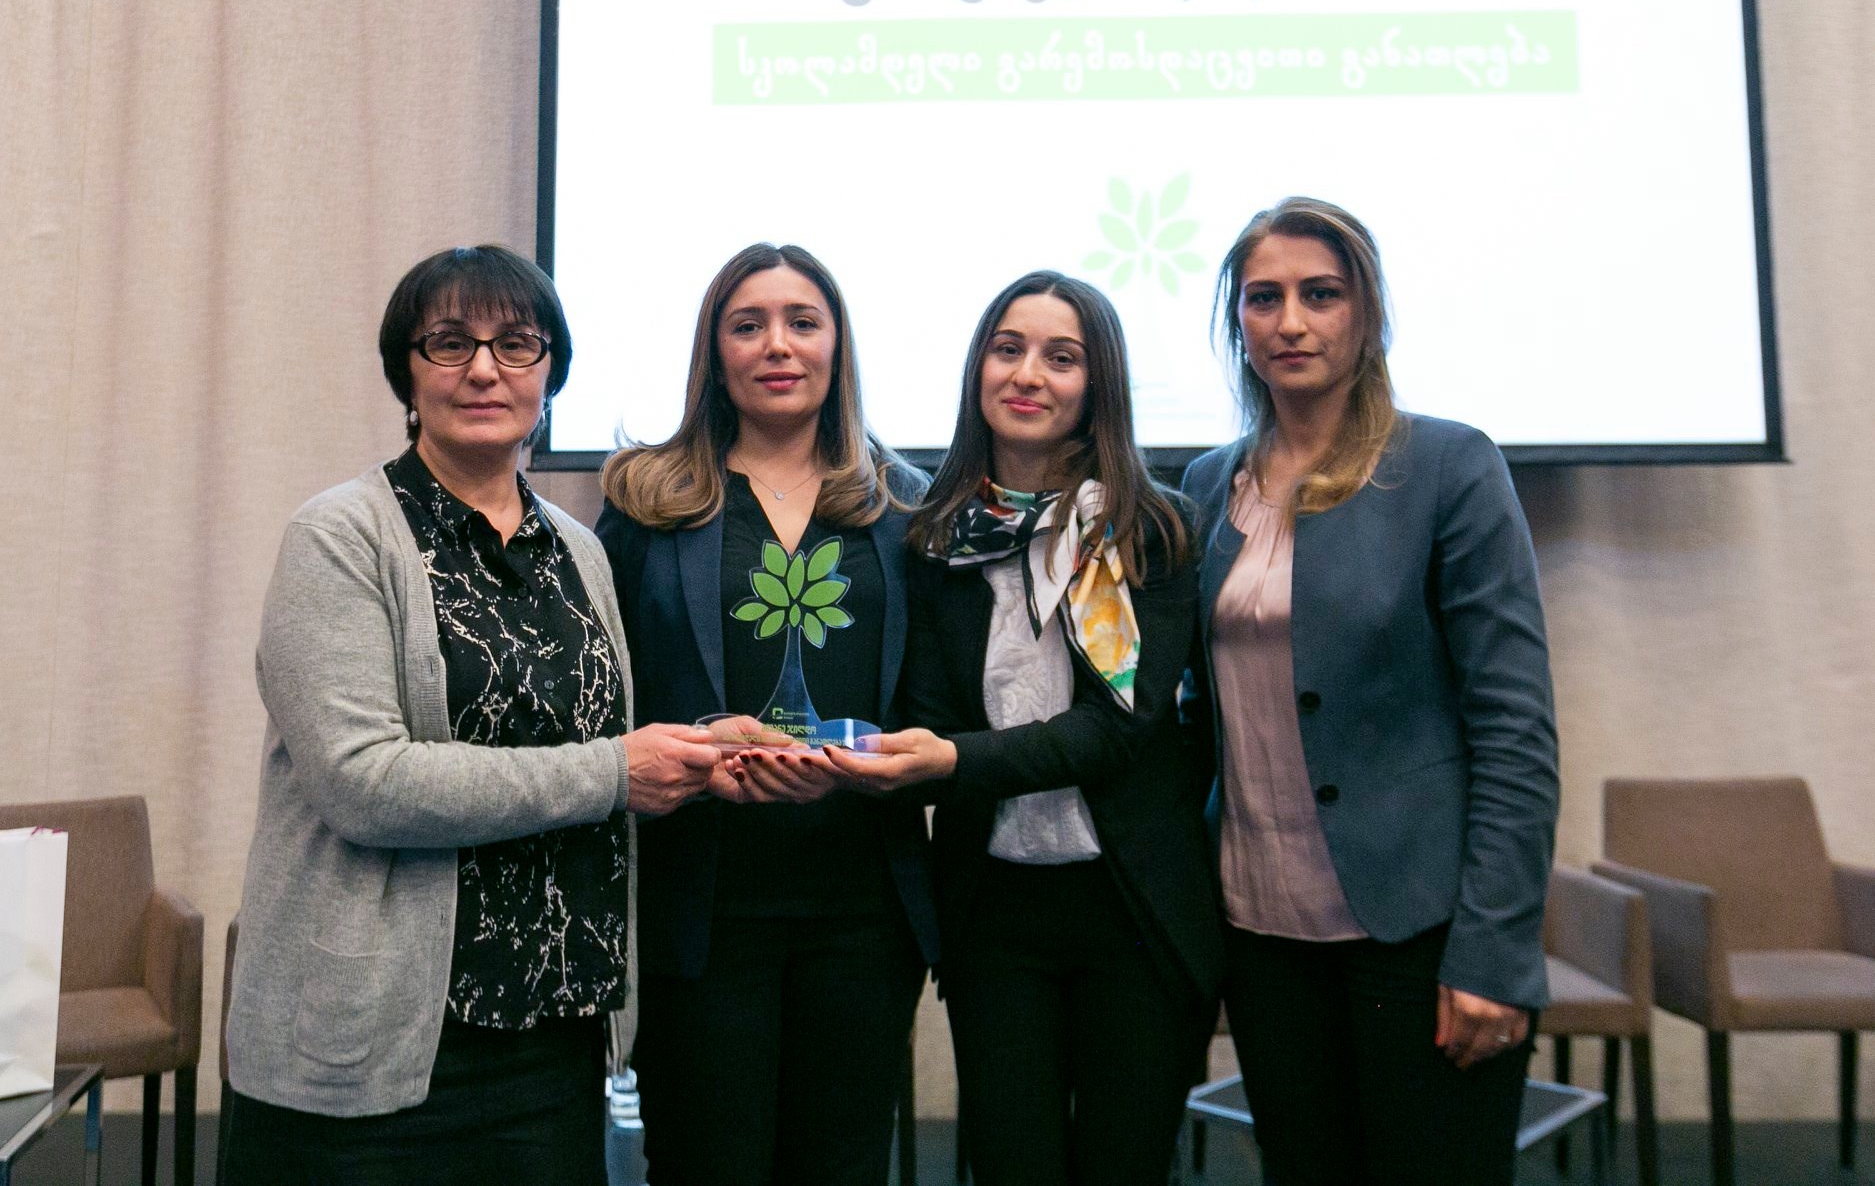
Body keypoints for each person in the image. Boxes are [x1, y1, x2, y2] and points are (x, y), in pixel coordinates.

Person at [221, 246, 725, 1185]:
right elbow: (364, 781)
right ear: (406, 374)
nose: (485, 368)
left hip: (556, 1038)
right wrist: (617, 770)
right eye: (450, 342)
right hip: (376, 1051)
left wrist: (698, 754)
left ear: (550, 371)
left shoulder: (578, 550)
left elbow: (596, 745)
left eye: (516, 342)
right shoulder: (338, 536)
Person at [1181, 197, 1560, 1185]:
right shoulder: (1208, 486)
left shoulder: (1447, 465)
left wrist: (1493, 952)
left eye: (1321, 294)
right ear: (1238, 321)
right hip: (1261, 931)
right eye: (1262, 298)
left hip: (1418, 928)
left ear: (1367, 312)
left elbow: (1515, 730)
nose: (1290, 321)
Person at [826, 271, 1222, 1186]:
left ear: (1098, 383)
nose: (1028, 373)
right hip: (994, 912)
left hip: (1135, 911)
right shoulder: (939, 538)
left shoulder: (1150, 531)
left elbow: (1113, 731)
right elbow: (930, 713)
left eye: (1061, 356)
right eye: (1007, 349)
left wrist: (951, 760)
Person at [594, 242, 938, 1186]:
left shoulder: (906, 506)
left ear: (837, 345)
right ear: (716, 353)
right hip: (699, 910)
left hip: (862, 912)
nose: (777, 344)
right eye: (747, 325)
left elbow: (932, 695)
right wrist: (693, 752)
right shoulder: (645, 500)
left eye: (802, 322)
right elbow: (605, 692)